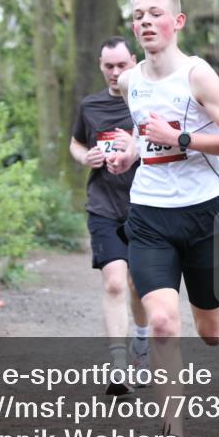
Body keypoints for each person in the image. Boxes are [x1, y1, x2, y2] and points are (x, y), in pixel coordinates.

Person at [107, 0, 219, 437]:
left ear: (178, 22)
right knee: (162, 323)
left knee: (209, 328)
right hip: (150, 215)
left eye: (156, 14)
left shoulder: (197, 75)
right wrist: (130, 153)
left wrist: (180, 137)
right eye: (138, 16)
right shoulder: (130, 79)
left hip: (204, 217)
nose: (145, 21)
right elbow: (140, 130)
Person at [69, 37, 150, 396]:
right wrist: (83, 156)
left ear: (133, 61)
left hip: (146, 205)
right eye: (108, 66)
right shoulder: (90, 106)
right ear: (100, 65)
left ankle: (142, 344)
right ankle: (118, 366)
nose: (115, 73)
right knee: (115, 282)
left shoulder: (148, 102)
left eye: (121, 65)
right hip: (103, 205)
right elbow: (76, 142)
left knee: (138, 286)